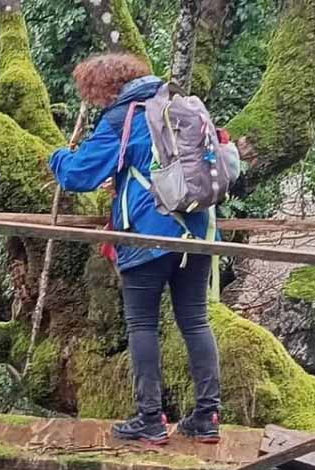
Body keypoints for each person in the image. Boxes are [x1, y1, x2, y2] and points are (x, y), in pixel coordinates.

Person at [49, 53, 222, 445]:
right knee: (195, 320)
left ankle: (150, 418)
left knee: (143, 325)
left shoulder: (123, 117)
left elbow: (79, 174)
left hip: (148, 235)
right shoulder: (179, 105)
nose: (93, 102)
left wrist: (57, 156)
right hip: (198, 231)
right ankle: (207, 416)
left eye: (93, 94)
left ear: (105, 88)